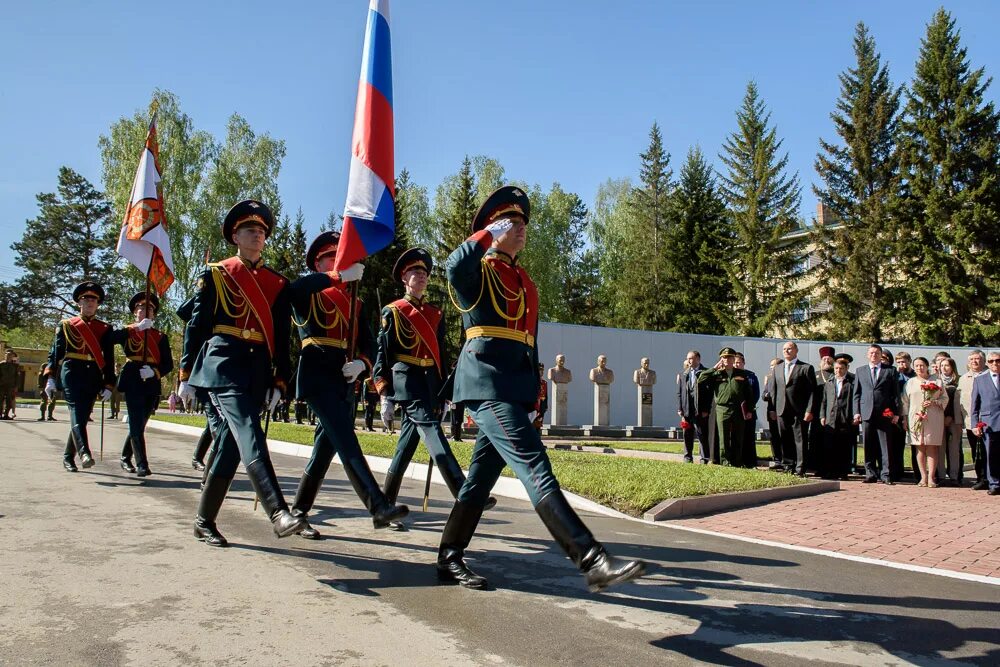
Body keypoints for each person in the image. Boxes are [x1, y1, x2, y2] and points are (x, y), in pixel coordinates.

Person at [437, 185, 646, 592]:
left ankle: (449, 557)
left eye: (522, 223)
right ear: (492, 228)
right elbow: (452, 267)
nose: (519, 229)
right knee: (536, 466)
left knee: (478, 480)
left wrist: (536, 394)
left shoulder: (524, 280)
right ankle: (591, 559)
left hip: (515, 388)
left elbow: (529, 342)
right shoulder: (478, 270)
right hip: (487, 383)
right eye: (509, 222)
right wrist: (484, 236)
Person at [179, 199, 306, 546]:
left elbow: (280, 336)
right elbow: (197, 325)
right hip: (223, 364)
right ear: (235, 236)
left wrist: (280, 378)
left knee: (230, 447)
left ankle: (203, 521)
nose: (257, 236)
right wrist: (185, 374)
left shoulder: (275, 282)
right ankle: (278, 512)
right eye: (250, 230)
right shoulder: (217, 273)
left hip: (257, 369)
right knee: (249, 432)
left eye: (262, 231)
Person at [285, 230, 408, 539]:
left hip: (344, 379)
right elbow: (292, 291)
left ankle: (298, 511)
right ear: (317, 263)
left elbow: (368, 344)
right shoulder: (310, 290)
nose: (339, 262)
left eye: (341, 258)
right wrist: (336, 275)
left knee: (325, 450)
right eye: (331, 257)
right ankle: (377, 505)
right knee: (346, 440)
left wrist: (362, 364)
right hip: (316, 373)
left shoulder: (356, 301)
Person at [373, 247, 489, 529]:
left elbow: (441, 355)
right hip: (407, 383)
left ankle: (382, 509)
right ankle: (464, 491)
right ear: (404, 277)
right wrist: (384, 391)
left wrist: (444, 391)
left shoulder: (434, 313)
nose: (421, 276)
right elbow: (383, 353)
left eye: (424, 272)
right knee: (434, 434)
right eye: (415, 272)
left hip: (429, 385)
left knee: (404, 450)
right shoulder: (393, 311)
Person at [45, 281, 116, 472]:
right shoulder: (67, 325)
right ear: (79, 302)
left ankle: (68, 457)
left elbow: (109, 358)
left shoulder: (105, 328)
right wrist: (50, 376)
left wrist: (109, 383)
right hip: (72, 372)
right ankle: (85, 453)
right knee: (76, 411)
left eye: (94, 299)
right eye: (86, 299)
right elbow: (55, 353)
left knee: (82, 417)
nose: (90, 302)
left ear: (98, 304)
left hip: (93, 374)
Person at [113, 292, 174, 477]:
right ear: (134, 313)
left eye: (149, 309)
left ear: (154, 315)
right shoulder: (128, 331)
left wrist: (155, 372)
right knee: (135, 422)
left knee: (140, 424)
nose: (145, 312)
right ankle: (142, 464)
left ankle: (125, 457)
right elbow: (109, 339)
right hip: (133, 379)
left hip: (150, 381)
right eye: (140, 308)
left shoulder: (160, 337)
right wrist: (135, 329)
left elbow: (168, 364)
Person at [765, 341, 817, 477]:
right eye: (784, 349)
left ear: (796, 350)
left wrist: (809, 410)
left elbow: (812, 392)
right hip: (781, 410)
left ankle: (800, 468)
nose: (786, 351)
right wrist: (772, 409)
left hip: (799, 411)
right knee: (785, 439)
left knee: (800, 440)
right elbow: (773, 391)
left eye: (789, 349)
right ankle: (788, 465)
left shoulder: (805, 368)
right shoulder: (777, 368)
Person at [853, 343, 901, 484]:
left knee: (885, 445)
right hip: (866, 412)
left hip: (884, 413)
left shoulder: (890, 371)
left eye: (877, 353)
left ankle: (886, 474)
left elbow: (895, 394)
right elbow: (857, 394)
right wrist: (856, 412)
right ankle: (870, 473)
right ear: (868, 355)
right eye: (871, 353)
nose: (874, 355)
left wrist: (896, 413)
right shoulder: (860, 371)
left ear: (881, 355)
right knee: (868, 444)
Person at [698, 347, 755, 467]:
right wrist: (714, 368)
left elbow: (748, 393)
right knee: (723, 437)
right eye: (724, 357)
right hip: (722, 408)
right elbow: (701, 379)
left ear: (733, 358)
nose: (726, 359)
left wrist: (749, 409)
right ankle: (725, 461)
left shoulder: (741, 374)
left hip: (738, 409)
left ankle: (737, 461)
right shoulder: (716, 373)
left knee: (738, 436)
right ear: (721, 359)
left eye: (729, 357)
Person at [901, 357, 948, 487]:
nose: (919, 368)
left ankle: (932, 477)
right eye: (916, 366)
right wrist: (904, 418)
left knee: (932, 447)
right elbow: (905, 402)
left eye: (922, 365)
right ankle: (923, 477)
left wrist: (934, 402)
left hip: (933, 417)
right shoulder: (910, 383)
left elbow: (945, 398)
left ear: (927, 366)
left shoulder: (937, 381)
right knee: (919, 447)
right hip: (915, 417)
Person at [819, 353, 857, 479]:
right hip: (831, 418)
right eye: (836, 368)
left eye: (841, 368)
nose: (838, 371)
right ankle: (830, 471)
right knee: (830, 446)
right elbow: (824, 400)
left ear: (846, 369)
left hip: (845, 418)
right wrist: (822, 415)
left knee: (844, 446)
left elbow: (855, 399)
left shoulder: (852, 381)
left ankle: (843, 472)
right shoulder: (830, 382)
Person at [956, 350, 988, 490]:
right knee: (976, 452)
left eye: (977, 359)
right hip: (971, 423)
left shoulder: (991, 376)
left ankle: (992, 478)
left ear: (984, 360)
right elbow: (959, 401)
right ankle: (981, 478)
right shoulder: (964, 378)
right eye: (972, 359)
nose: (975, 361)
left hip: (989, 422)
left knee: (991, 452)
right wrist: (959, 420)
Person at [970, 351, 1000, 495]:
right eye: (992, 361)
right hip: (989, 423)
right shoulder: (980, 380)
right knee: (991, 455)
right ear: (987, 363)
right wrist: (975, 424)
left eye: (998, 360)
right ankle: (995, 483)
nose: (995, 363)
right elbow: (974, 405)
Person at [677, 350, 710, 464]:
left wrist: (706, 409)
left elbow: (708, 393)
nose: (689, 361)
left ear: (698, 359)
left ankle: (704, 458)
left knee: (701, 434)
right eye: (688, 358)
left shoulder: (705, 372)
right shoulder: (683, 374)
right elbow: (680, 393)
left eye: (691, 358)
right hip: (687, 410)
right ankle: (687, 456)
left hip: (700, 410)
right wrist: (680, 408)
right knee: (687, 434)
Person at [937, 357, 963, 486]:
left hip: (954, 419)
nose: (944, 368)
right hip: (938, 419)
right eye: (942, 365)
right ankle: (941, 475)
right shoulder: (936, 381)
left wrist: (951, 416)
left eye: (947, 365)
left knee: (954, 449)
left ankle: (954, 476)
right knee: (940, 448)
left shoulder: (959, 381)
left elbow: (958, 402)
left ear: (952, 367)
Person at [893, 351, 917, 482]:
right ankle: (898, 470)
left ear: (909, 361)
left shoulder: (915, 375)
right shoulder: (895, 375)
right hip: (899, 413)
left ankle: (917, 471)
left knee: (915, 443)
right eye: (899, 362)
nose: (901, 365)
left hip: (913, 412)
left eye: (903, 362)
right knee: (898, 443)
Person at [734, 352, 760, 468]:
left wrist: (749, 409)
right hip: (734, 413)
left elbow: (756, 394)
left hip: (749, 412)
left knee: (749, 438)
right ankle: (737, 461)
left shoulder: (751, 376)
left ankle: (750, 462)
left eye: (739, 362)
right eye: (734, 362)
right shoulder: (730, 376)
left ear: (744, 363)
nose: (736, 364)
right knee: (736, 438)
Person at [760, 358, 783, 469]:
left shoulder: (784, 377)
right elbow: (764, 395)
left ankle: (786, 459)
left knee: (784, 436)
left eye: (773, 365)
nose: (771, 368)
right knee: (774, 436)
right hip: (772, 412)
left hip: (782, 412)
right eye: (770, 366)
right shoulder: (769, 378)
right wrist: (767, 395)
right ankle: (777, 459)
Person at [0, 350, 19, 419]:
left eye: (10, 356)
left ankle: (6, 415)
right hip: (1, 385)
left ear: (12, 357)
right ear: (5, 356)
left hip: (10, 386)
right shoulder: (1, 364)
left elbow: (17, 376)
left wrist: (16, 386)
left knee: (9, 401)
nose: (8, 357)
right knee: (0, 401)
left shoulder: (15, 366)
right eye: (7, 355)